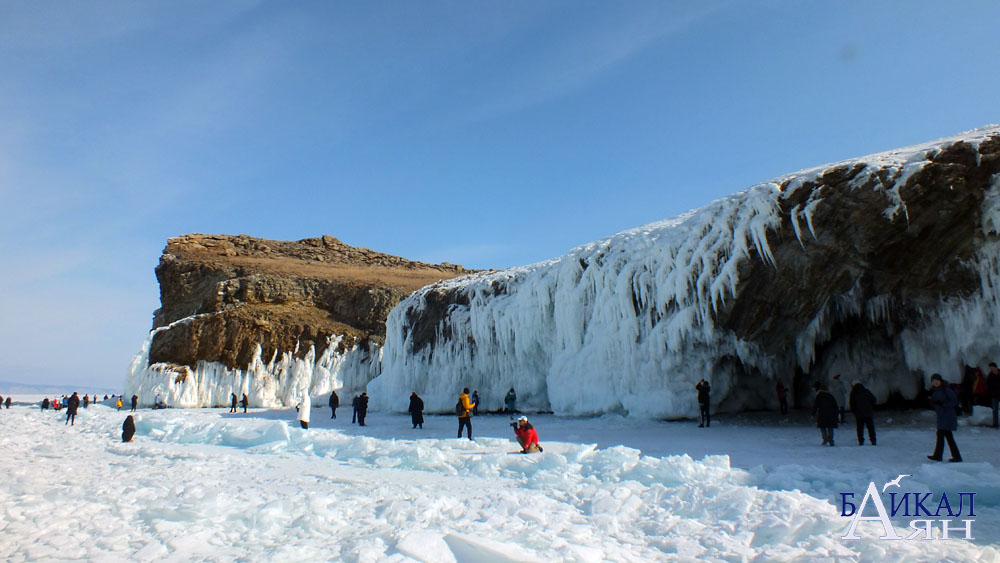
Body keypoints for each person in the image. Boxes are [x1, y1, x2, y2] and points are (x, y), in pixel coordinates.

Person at [928, 374, 962, 462]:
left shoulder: (946, 390)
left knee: (941, 435)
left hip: (948, 416)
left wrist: (943, 404)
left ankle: (938, 456)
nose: (935, 382)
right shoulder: (936, 391)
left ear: (940, 381)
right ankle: (955, 456)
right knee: (947, 436)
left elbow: (955, 401)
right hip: (942, 416)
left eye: (936, 380)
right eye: (933, 381)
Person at [849, 381, 877, 446]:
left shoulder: (853, 393)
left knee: (860, 428)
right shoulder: (866, 391)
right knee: (870, 427)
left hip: (859, 414)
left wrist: (855, 412)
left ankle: (861, 441)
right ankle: (873, 440)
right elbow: (874, 400)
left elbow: (852, 404)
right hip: (868, 413)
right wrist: (870, 408)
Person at [988, 362, 1000, 428]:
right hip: (994, 395)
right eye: (990, 368)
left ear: (995, 367)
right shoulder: (990, 375)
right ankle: (995, 424)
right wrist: (991, 392)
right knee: (995, 410)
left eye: (992, 368)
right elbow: (988, 384)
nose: (991, 369)